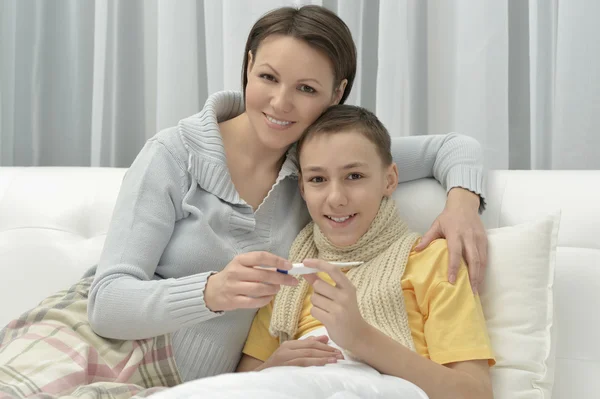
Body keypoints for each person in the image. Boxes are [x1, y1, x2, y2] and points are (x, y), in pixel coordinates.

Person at [0, 4, 487, 398]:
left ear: (336, 95)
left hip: (196, 385)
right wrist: (211, 291)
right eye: (269, 77)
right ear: (248, 65)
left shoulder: (321, 167)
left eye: (306, 89)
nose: (280, 104)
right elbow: (107, 304)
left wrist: (462, 204)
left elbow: (454, 147)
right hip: (97, 343)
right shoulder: (175, 153)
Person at [236, 105, 495, 399]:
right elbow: (237, 387)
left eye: (354, 176)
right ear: (303, 189)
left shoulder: (432, 260)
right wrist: (273, 367)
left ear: (390, 180)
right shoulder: (290, 275)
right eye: (318, 179)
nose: (336, 199)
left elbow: (475, 394)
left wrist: (361, 339)